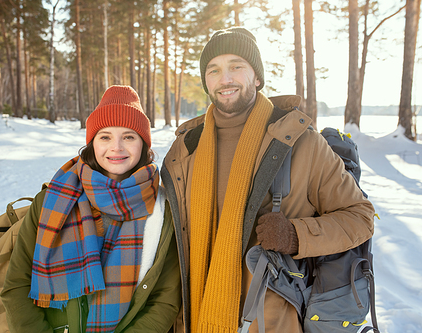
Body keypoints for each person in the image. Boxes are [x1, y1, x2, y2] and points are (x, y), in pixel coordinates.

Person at [160, 27, 375, 333]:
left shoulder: (300, 142)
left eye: (237, 66)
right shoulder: (185, 149)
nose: (225, 78)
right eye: (214, 70)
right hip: (194, 319)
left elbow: (361, 218)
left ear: (257, 77)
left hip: (270, 321)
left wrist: (297, 235)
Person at [1, 85, 181, 333]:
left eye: (128, 136)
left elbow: (165, 298)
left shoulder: (162, 211)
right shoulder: (52, 201)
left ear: (143, 144)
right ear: (92, 143)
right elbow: (16, 287)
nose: (116, 147)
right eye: (105, 136)